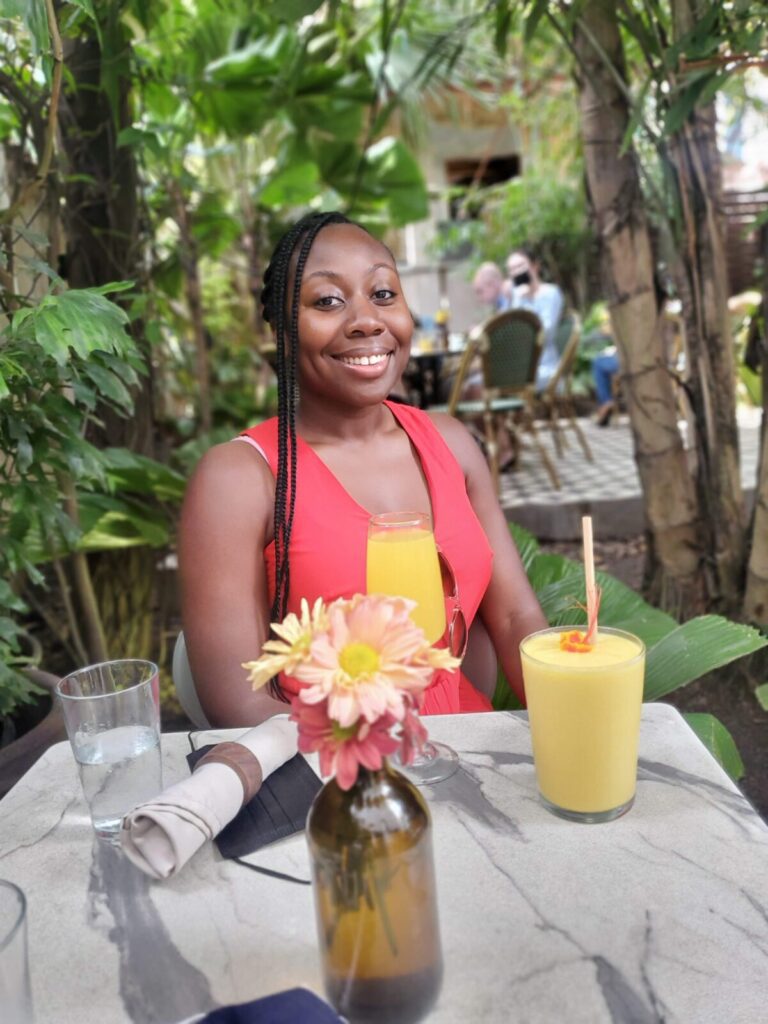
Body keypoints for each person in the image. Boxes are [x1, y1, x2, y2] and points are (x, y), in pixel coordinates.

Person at [179, 211, 547, 728]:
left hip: (470, 757)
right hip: (331, 775)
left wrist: (571, 719)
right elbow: (239, 706)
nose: (366, 320)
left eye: (382, 294)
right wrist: (376, 770)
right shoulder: (240, 479)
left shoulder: (452, 444)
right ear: (282, 332)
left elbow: (515, 618)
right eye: (327, 300)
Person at [506, 249, 564, 391]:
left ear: (534, 266)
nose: (517, 272)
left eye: (520, 266)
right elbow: (513, 334)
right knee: (484, 382)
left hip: (546, 368)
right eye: (512, 270)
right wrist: (519, 299)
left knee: (500, 383)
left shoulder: (550, 293)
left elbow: (545, 333)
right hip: (520, 368)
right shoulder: (518, 298)